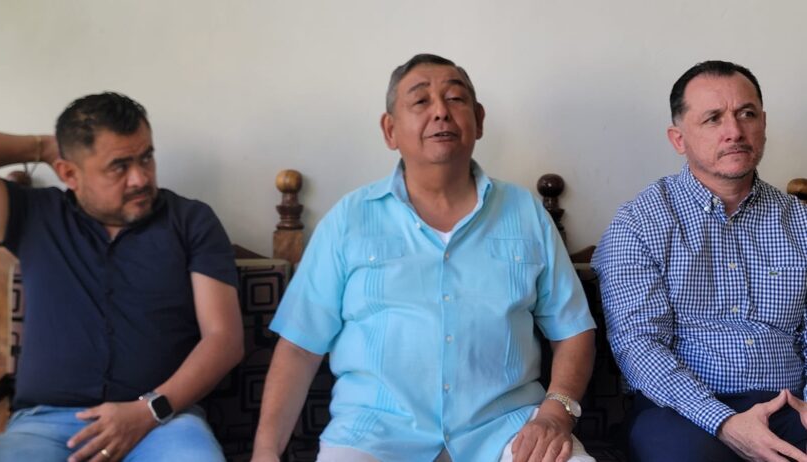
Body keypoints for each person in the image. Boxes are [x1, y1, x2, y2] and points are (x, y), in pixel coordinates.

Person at [251, 54, 597, 462]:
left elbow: (573, 330)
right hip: (373, 436)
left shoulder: (524, 213)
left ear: (478, 120)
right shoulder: (349, 220)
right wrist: (265, 453)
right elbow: (299, 348)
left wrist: (556, 413)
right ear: (390, 130)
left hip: (508, 430)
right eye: (420, 101)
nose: (441, 112)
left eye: (455, 98)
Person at [0, 92, 244, 461]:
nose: (140, 178)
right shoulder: (33, 215)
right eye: (119, 166)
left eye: (146, 157)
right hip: (43, 426)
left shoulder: (190, 221)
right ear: (69, 173)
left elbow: (224, 339)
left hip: (163, 422)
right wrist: (43, 146)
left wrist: (148, 411)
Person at [593, 60, 807, 462]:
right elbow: (638, 344)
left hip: (789, 405)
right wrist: (723, 421)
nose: (734, 131)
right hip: (680, 412)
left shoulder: (801, 222)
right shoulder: (639, 223)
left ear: (763, 124)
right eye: (713, 119)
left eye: (747, 114)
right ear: (678, 139)